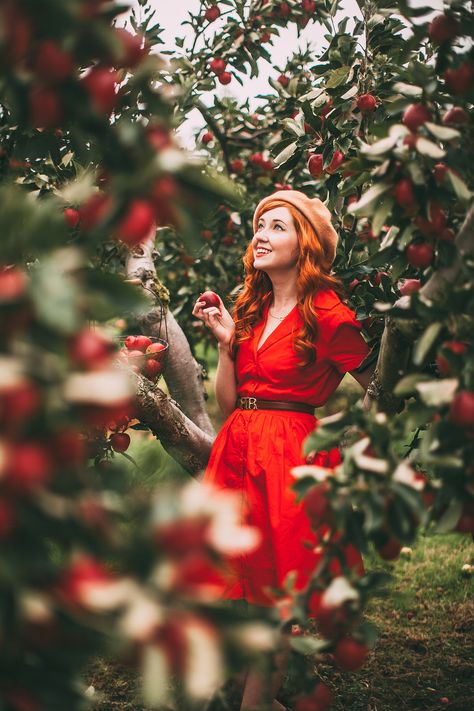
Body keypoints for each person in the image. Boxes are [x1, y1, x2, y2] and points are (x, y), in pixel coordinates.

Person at [192, 190, 375, 711]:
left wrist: (352, 446)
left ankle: (255, 704)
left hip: (288, 457)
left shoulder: (329, 314)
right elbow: (229, 402)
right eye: (259, 226)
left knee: (277, 598)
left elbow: (381, 386)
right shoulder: (254, 309)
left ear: (306, 244)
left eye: (276, 227)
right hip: (238, 451)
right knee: (245, 588)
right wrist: (228, 344)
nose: (260, 235)